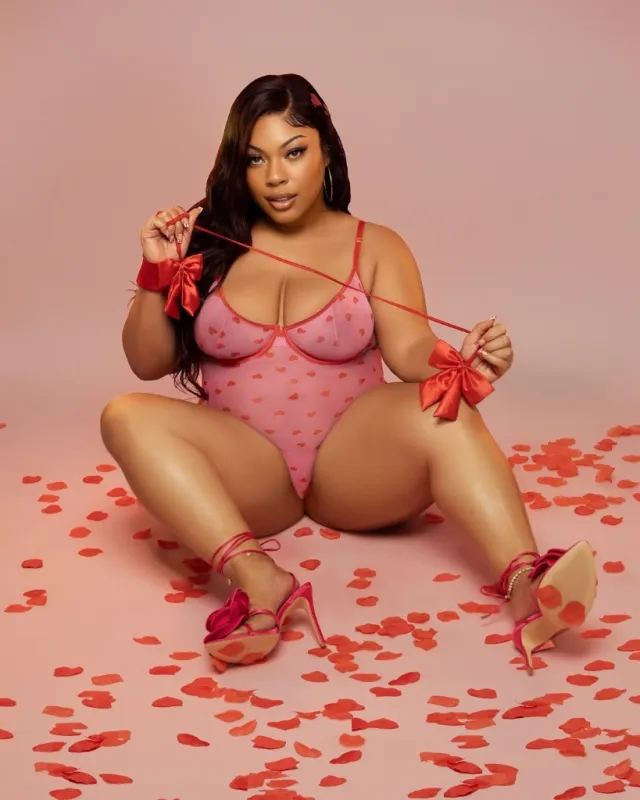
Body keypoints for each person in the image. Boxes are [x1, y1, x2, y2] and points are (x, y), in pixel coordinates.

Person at [100, 73, 597, 673]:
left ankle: (525, 584)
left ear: (326, 151)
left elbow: (411, 351)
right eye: (256, 158)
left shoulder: (376, 245)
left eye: (293, 152)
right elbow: (146, 362)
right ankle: (258, 578)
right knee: (123, 414)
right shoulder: (208, 245)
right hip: (248, 472)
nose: (275, 176)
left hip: (353, 467)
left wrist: (466, 360)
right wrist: (157, 271)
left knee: (443, 408)